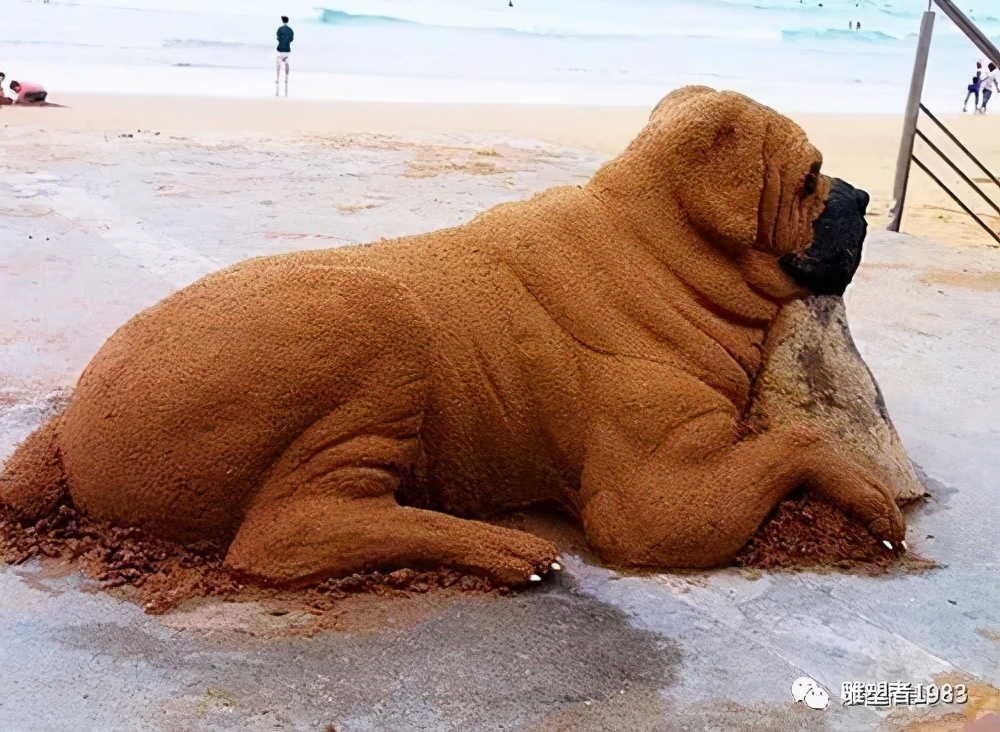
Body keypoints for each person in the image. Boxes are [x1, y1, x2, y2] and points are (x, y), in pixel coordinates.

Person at [276, 16, 294, 97]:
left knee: (278, 63)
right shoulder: (290, 30)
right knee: (287, 63)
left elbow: (278, 38)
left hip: (280, 48)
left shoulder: (280, 29)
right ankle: (286, 78)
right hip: (287, 48)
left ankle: (277, 77)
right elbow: (291, 39)